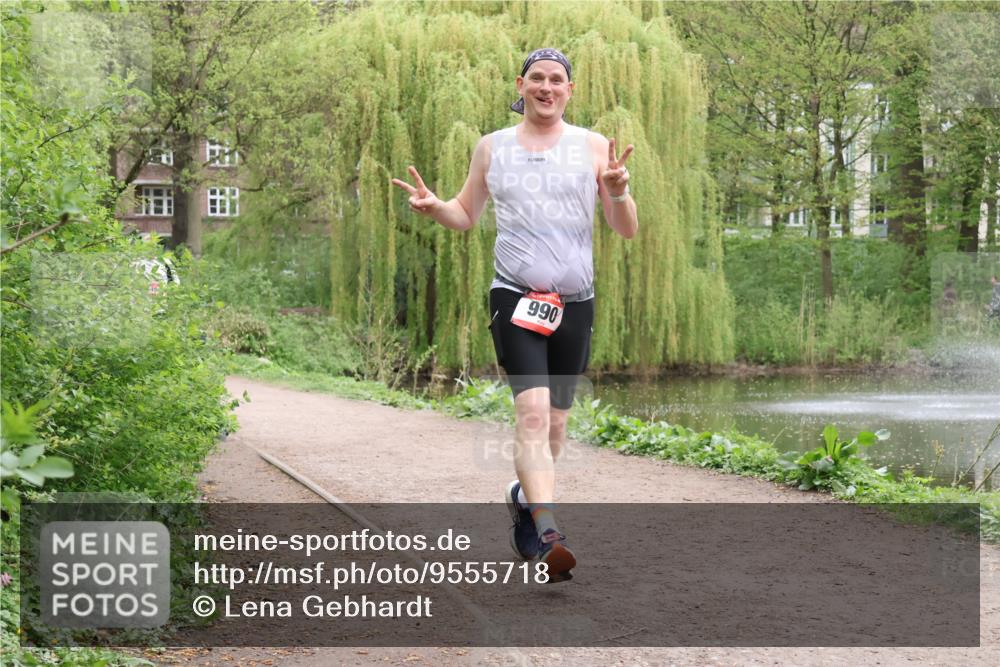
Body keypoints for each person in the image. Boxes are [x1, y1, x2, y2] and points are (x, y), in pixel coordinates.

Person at [392, 48, 638, 582]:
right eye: (537, 78)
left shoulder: (593, 146)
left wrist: (618, 194)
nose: (547, 87)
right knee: (531, 414)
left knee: (556, 425)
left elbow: (626, 229)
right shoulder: (492, 147)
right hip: (515, 298)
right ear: (520, 85)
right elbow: (465, 213)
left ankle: (524, 499)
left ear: (570, 90)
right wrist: (436, 207)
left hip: (575, 303)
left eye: (557, 79)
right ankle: (549, 533)